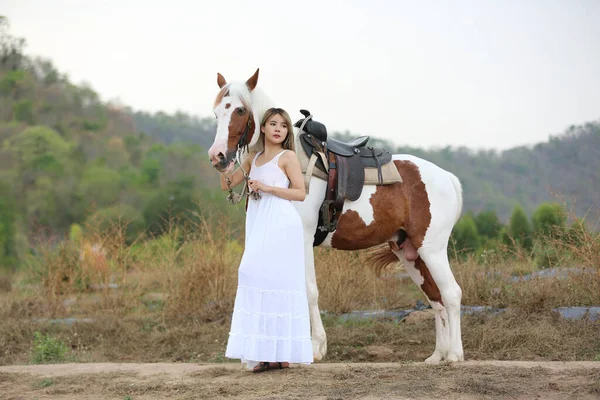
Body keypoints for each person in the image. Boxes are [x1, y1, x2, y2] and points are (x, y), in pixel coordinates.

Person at [220, 107, 313, 372]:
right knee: (252, 275)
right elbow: (227, 185)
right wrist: (223, 162)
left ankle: (280, 354)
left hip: (282, 224)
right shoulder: (253, 157)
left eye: (283, 126)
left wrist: (268, 187)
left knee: (278, 282)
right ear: (262, 128)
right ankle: (265, 352)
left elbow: (300, 193)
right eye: (273, 124)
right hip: (259, 224)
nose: (278, 129)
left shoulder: (288, 157)